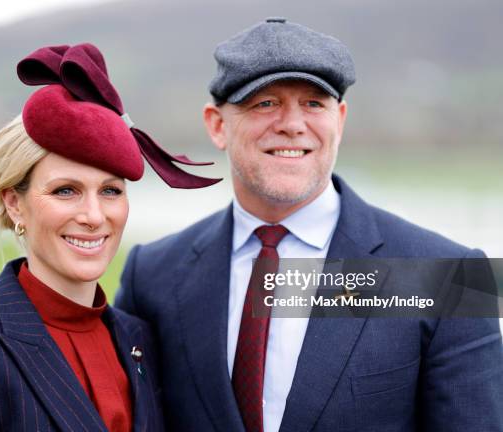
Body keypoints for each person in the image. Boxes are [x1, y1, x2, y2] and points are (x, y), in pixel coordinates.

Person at [115, 18, 503, 432]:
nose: (292, 123)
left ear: (340, 119)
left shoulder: (448, 276)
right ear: (216, 124)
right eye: (265, 103)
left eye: (313, 103)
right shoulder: (153, 275)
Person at [0, 43, 219, 431]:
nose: (94, 216)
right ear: (14, 203)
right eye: (66, 190)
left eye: (111, 191)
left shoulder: (139, 341)